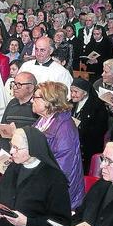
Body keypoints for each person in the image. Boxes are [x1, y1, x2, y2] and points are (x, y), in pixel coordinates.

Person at [32, 81, 85, 210]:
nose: (31, 101)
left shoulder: (64, 128)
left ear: (49, 100)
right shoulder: (43, 120)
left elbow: (63, 167)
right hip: (42, 182)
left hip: (59, 192)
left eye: (35, 98)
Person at [70, 78, 108, 172]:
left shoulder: (97, 106)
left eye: (76, 92)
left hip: (89, 147)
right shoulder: (71, 103)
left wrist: (81, 128)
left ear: (85, 93)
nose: (72, 94)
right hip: (73, 145)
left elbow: (100, 129)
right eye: (71, 91)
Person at [0, 72, 39, 152]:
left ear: (30, 87)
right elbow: (4, 125)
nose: (14, 87)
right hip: (8, 151)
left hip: (28, 152)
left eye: (19, 84)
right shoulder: (12, 103)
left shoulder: (37, 106)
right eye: (14, 83)